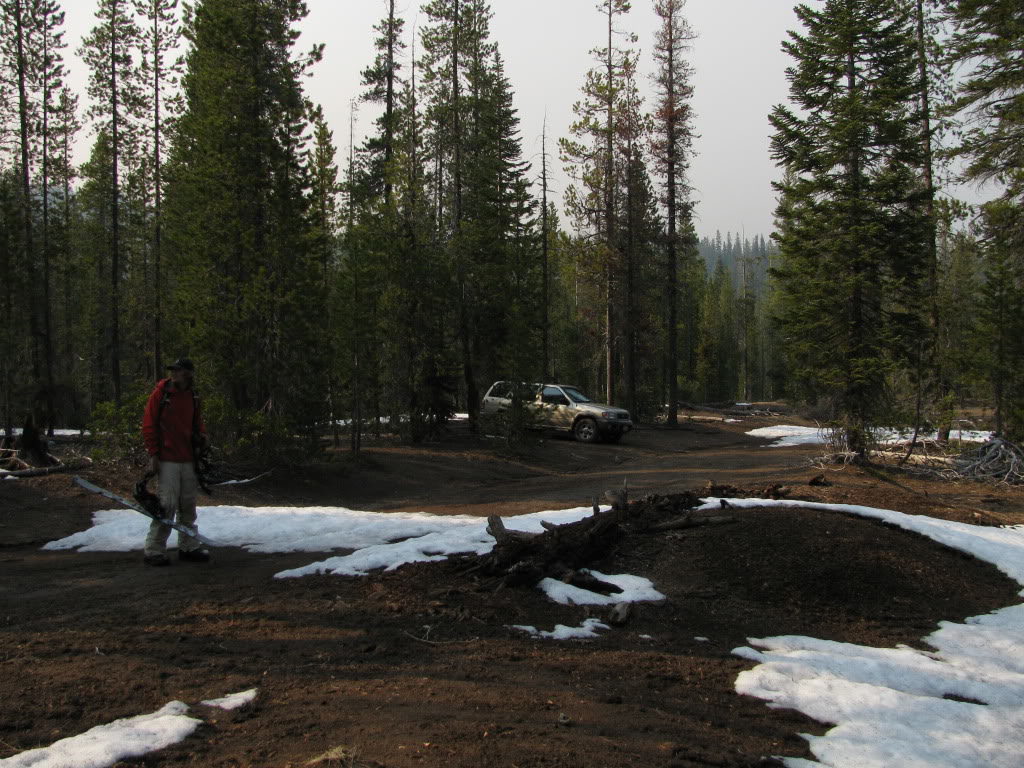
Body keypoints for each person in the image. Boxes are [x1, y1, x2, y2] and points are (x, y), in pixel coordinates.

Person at [140, 358, 211, 566]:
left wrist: (203, 437)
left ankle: (188, 546)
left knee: (188, 505)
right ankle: (154, 550)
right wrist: (154, 454)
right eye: (173, 371)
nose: (174, 374)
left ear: (188, 374)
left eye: (178, 371)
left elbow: (197, 423)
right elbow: (149, 424)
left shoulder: (193, 396)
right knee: (166, 505)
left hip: (189, 458)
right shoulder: (161, 395)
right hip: (167, 458)